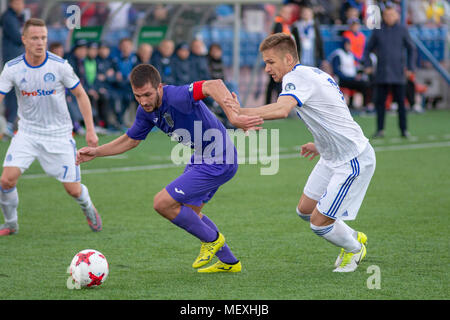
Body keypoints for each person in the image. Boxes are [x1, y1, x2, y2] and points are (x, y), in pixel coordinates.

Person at [76, 64, 263, 272]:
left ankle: (213, 240)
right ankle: (230, 263)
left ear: (159, 87)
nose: (143, 101)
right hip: (201, 157)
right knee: (191, 214)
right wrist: (97, 152)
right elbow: (131, 140)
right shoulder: (145, 111)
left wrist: (234, 116)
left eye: (147, 94)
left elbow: (214, 84)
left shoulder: (177, 96)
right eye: (138, 96)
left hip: (219, 158)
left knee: (162, 203)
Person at [224, 33, 376, 273]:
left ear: (287, 58)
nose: (266, 68)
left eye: (270, 62)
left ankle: (354, 248)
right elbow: (332, 113)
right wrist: (321, 144)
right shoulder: (309, 73)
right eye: (265, 62)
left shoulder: (296, 77)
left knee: (318, 224)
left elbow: (283, 109)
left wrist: (241, 112)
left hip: (352, 159)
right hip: (331, 155)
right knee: (305, 211)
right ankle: (351, 235)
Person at [0, 18, 102, 236]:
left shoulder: (60, 66)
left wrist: (91, 129)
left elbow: (81, 95)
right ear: (24, 40)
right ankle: (11, 224)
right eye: (35, 38)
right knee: (6, 180)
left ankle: (88, 208)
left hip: (59, 135)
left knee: (72, 189)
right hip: (27, 133)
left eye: (43, 38)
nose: (40, 42)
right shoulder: (12, 69)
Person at [362, 5, 416, 138]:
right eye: (386, 15)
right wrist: (368, 65)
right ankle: (380, 130)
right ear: (383, 16)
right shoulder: (378, 31)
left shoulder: (402, 30)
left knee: (401, 104)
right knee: (380, 104)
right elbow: (367, 49)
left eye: (392, 15)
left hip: (398, 73)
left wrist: (410, 68)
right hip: (382, 73)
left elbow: (412, 49)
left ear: (397, 16)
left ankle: (403, 130)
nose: (389, 17)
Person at [0, 0, 25, 136]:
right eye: (19, 3)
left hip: (15, 60)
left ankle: (10, 124)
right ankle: (8, 125)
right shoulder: (9, 18)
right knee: (12, 92)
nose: (21, 6)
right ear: (12, 4)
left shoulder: (15, 17)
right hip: (12, 61)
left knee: (16, 92)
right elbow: (17, 37)